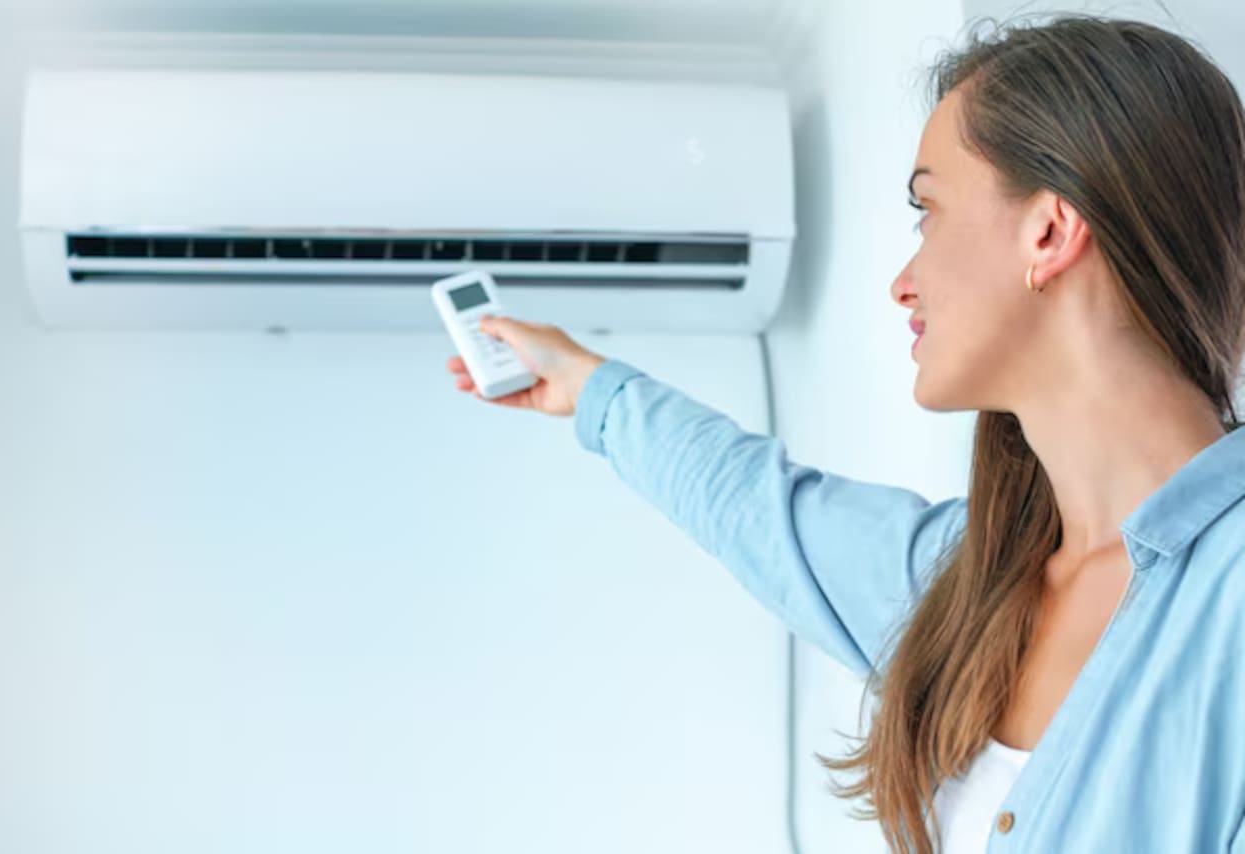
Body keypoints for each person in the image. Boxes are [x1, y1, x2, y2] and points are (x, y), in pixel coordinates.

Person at [444, 14, 1245, 854]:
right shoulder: (968, 588)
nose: (905, 282)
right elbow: (761, 511)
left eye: (927, 211)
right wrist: (586, 386)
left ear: (1047, 231)